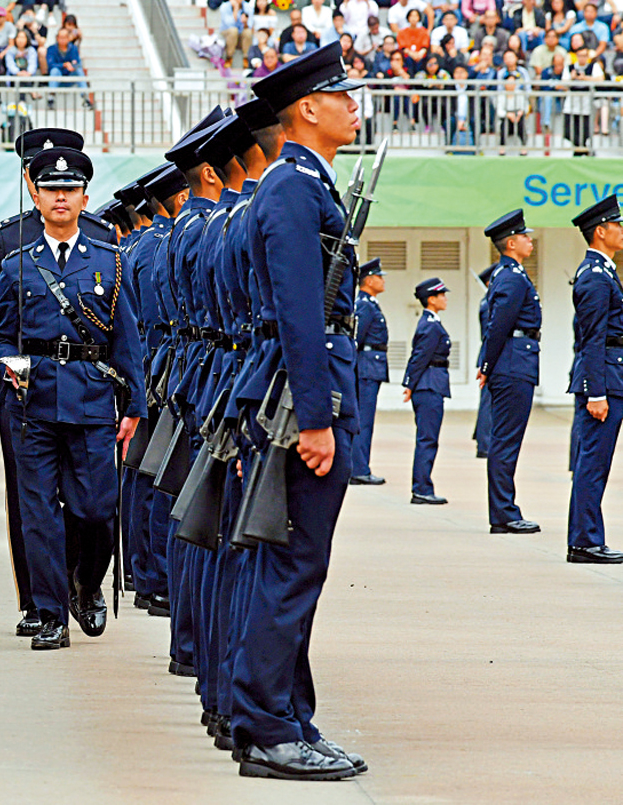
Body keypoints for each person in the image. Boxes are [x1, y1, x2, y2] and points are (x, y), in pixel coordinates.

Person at [230, 42, 368, 781]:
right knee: (290, 567)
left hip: (313, 394)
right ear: (308, 108)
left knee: (300, 567)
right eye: (342, 95)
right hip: (298, 401)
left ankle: (291, 716)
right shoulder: (290, 187)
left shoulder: (309, 181)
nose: (355, 105)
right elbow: (297, 312)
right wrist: (313, 416)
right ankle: (265, 726)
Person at [0, 146, 145, 651]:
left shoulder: (110, 262)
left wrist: (135, 407)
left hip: (93, 402)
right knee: (38, 512)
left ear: (83, 198)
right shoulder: (16, 265)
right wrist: (5, 363)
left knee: (96, 510)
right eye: (52, 190)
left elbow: (127, 341)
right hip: (33, 404)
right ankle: (51, 613)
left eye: (70, 190)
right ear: (38, 198)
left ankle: (85, 583)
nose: (61, 197)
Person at [0, 128, 118, 638]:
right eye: (39, 174)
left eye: (65, 180)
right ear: (29, 182)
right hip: (26, 392)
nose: (53, 189)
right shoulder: (8, 237)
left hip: (87, 393)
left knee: (91, 504)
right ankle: (40, 603)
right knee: (29, 500)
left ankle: (83, 581)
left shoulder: (101, 235)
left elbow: (119, 321)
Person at [566, 196, 623, 564]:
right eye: (617, 225)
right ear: (600, 231)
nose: (622, 231)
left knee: (595, 462)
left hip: (613, 374)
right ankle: (585, 541)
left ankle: (585, 538)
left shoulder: (606, 272)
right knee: (593, 463)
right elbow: (592, 338)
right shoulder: (595, 277)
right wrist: (595, 392)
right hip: (605, 380)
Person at [479, 210, 542, 534]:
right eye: (526, 237)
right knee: (505, 442)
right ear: (512, 242)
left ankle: (504, 510)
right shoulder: (512, 277)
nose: (530, 240)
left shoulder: (511, 273)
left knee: (507, 441)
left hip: (515, 361)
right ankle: (503, 513)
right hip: (513, 363)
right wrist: (487, 365)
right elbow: (498, 325)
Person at [403, 279, 451, 505]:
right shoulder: (430, 325)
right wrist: (409, 384)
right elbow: (420, 357)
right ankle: (421, 488)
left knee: (428, 438)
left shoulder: (431, 322)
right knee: (427, 439)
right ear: (431, 299)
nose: (445, 298)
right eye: (441, 295)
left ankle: (422, 486)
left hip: (429, 384)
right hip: (429, 384)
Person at [351, 259, 389, 485]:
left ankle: (360, 466)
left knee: (366, 420)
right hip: (366, 367)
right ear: (369, 280)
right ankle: (359, 469)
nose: (383, 280)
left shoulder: (370, 303)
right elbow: (357, 339)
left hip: (371, 366)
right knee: (363, 420)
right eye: (379, 276)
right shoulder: (364, 304)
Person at [473, 263, 496, 458]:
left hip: (490, 354)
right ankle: (484, 443)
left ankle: (483, 438)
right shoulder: (488, 303)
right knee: (488, 402)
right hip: (490, 355)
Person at [46, 26, 90, 109]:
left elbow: (77, 63)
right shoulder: (51, 49)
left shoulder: (73, 48)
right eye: (60, 37)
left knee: (79, 70)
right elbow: (51, 64)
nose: (62, 40)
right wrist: (64, 65)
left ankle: (85, 97)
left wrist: (72, 66)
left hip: (70, 77)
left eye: (64, 37)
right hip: (57, 78)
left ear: (68, 38)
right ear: (57, 38)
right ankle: (51, 97)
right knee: (54, 70)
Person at [220, 0, 254, 65]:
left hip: (241, 34)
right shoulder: (225, 6)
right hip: (228, 33)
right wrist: (236, 9)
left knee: (248, 32)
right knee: (233, 31)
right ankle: (229, 57)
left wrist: (245, 22)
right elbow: (229, 24)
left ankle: (246, 58)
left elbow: (250, 24)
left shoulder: (247, 6)